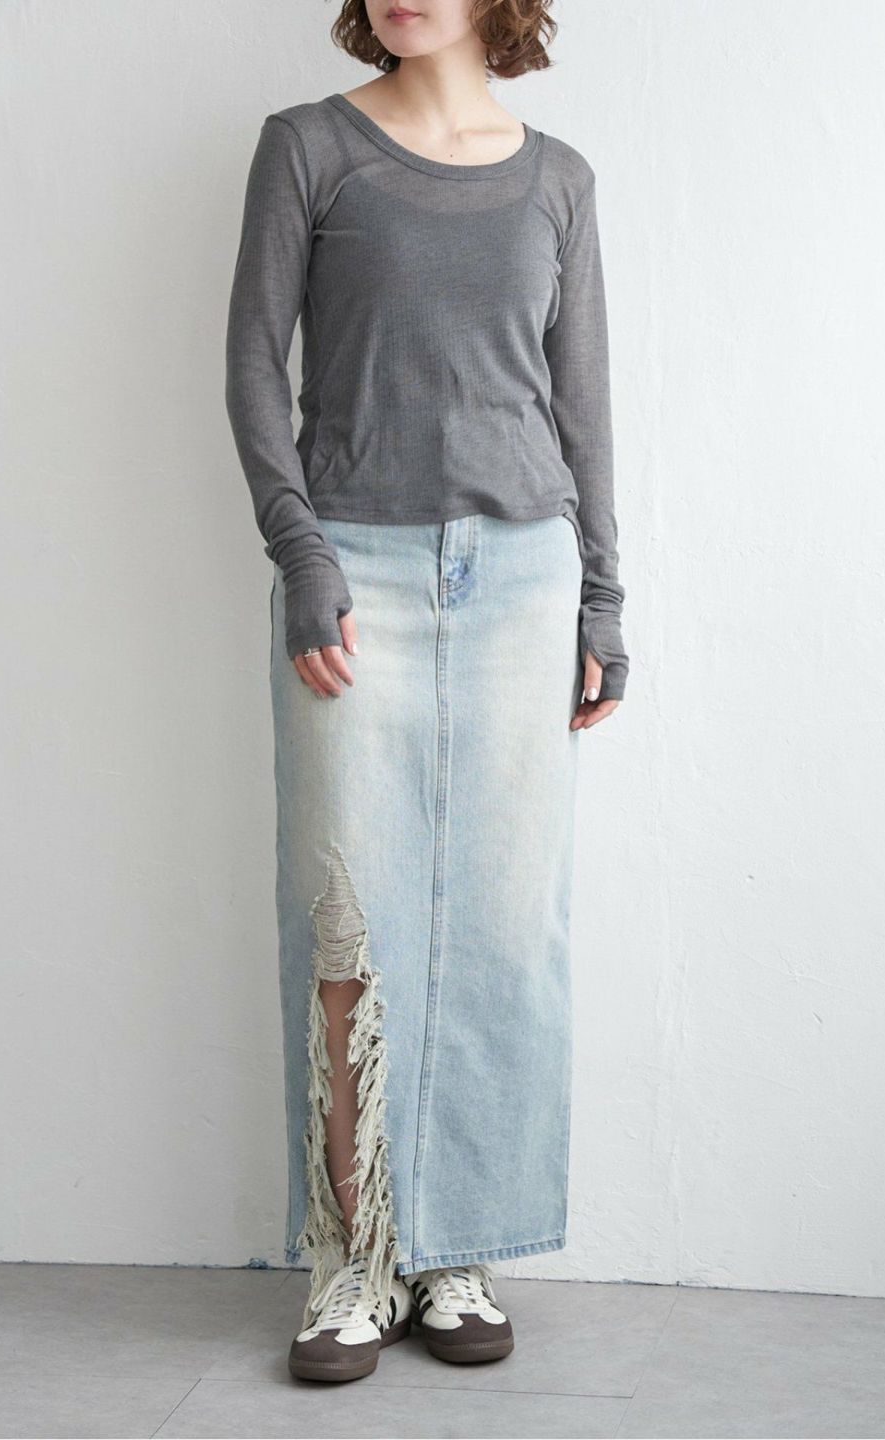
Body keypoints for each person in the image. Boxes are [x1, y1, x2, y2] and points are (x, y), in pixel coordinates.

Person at [224, 0, 630, 1384]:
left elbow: (584, 404)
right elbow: (253, 364)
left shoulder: (560, 178)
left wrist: (604, 598)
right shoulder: (308, 148)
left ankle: (455, 1245)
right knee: (349, 922)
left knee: (506, 926)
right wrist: (301, 553)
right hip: (358, 576)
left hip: (522, 580)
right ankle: (355, 1252)